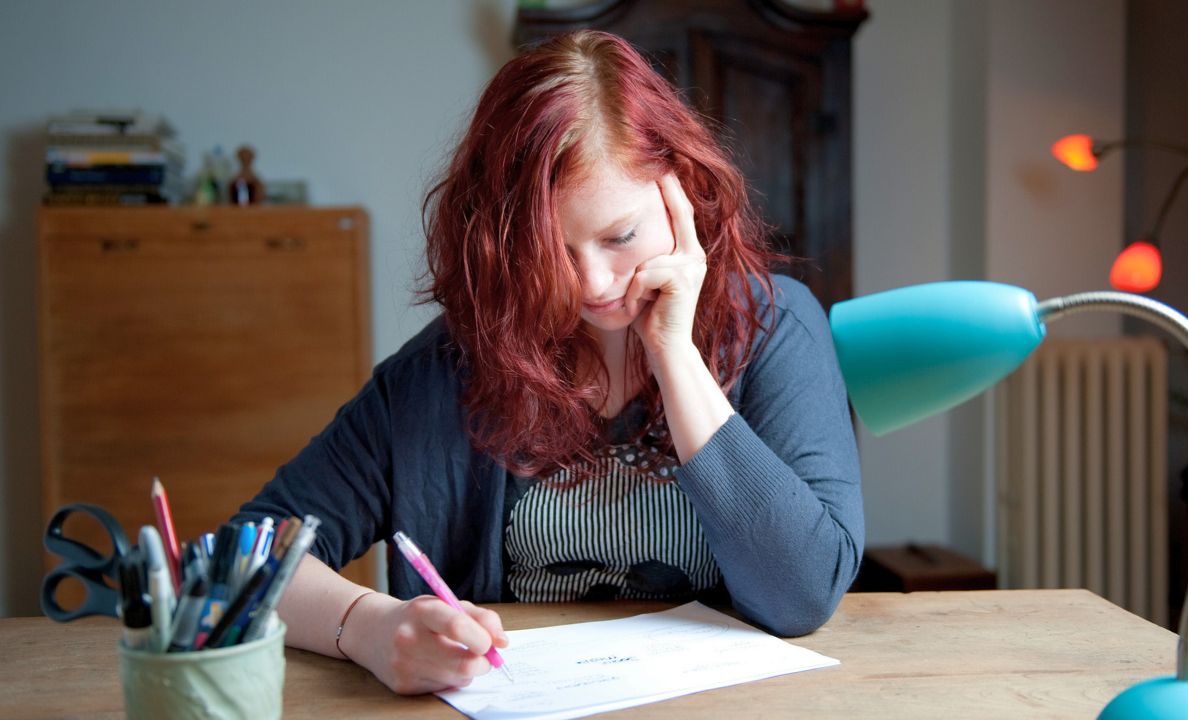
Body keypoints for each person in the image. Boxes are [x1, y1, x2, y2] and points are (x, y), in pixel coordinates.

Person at [232, 29, 863, 695]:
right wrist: (364, 625)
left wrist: (674, 355)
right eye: (550, 250)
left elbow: (802, 596)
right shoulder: (446, 370)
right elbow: (242, 560)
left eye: (619, 235)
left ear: (681, 189)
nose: (591, 281)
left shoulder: (775, 326)